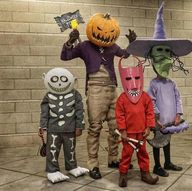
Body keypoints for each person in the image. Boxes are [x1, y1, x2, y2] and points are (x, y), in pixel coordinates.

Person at [60, 12, 136, 179]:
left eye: (109, 31)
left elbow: (125, 54)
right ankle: (93, 164)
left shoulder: (112, 46)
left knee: (115, 127)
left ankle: (113, 158)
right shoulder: (85, 46)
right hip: (95, 89)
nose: (104, 34)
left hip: (112, 89)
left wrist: (132, 43)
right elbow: (65, 56)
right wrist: (71, 41)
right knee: (95, 127)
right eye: (101, 29)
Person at [126, 2, 192, 177]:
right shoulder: (154, 85)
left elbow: (178, 98)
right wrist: (155, 119)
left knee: (167, 140)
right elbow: (151, 102)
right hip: (159, 122)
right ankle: (157, 165)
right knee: (157, 142)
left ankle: (168, 162)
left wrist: (178, 114)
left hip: (170, 121)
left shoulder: (172, 84)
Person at [38, 68, 88, 183]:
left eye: (63, 80)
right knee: (52, 150)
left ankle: (72, 166)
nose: (59, 83)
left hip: (70, 128)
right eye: (55, 80)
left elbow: (80, 111)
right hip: (53, 129)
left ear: (73, 81)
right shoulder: (48, 96)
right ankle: (52, 170)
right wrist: (42, 127)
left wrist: (79, 126)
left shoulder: (76, 94)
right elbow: (44, 112)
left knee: (70, 148)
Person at [115, 57, 159, 187]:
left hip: (141, 132)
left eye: (136, 78)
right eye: (128, 79)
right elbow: (120, 115)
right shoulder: (122, 99)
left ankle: (145, 173)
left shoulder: (145, 97)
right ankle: (123, 174)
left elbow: (150, 112)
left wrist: (149, 127)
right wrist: (122, 131)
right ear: (124, 79)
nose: (133, 82)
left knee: (143, 153)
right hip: (128, 134)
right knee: (126, 154)